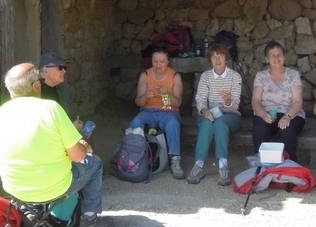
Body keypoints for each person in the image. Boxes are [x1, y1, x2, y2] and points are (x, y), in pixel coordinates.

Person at [0, 63, 113, 227]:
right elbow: (78, 156)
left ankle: (32, 213)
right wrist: (84, 146)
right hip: (53, 187)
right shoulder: (50, 109)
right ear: (36, 86)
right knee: (95, 163)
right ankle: (90, 221)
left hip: (15, 188)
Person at [187, 44, 243, 186]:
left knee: (220, 123)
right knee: (206, 123)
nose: (217, 59)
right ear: (210, 59)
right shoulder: (206, 76)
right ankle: (199, 165)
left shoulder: (235, 76)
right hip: (210, 113)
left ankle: (223, 165)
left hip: (230, 115)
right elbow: (200, 99)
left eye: (221, 56)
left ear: (227, 59)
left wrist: (228, 100)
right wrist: (205, 111)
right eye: (214, 56)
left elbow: (235, 105)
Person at [128, 48, 184, 178]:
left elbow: (178, 103)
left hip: (169, 111)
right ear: (151, 62)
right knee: (135, 122)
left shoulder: (175, 76)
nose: (158, 65)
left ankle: (175, 160)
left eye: (162, 62)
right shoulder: (145, 75)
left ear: (168, 62)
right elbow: (139, 102)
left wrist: (167, 93)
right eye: (155, 61)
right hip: (148, 111)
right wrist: (146, 96)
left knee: (173, 124)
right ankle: (135, 156)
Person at [251, 41, 306, 161]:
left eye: (279, 54)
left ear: (284, 57)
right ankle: (261, 165)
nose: (276, 58)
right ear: (267, 59)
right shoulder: (261, 76)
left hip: (291, 113)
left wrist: (288, 116)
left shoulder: (293, 75)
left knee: (287, 130)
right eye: (272, 55)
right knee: (260, 129)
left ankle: (289, 166)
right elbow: (255, 101)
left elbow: (297, 101)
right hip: (267, 113)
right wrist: (263, 114)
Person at [38, 51, 83, 131]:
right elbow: (48, 129)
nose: (64, 71)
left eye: (65, 67)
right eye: (60, 67)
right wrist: (72, 128)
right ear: (45, 71)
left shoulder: (54, 89)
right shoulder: (39, 94)